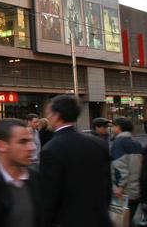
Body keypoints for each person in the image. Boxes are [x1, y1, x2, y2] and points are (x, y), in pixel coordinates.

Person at [40, 94, 111, 227]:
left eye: (49, 113)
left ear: (56, 115)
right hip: (100, 218)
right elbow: (107, 186)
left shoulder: (51, 149)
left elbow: (49, 197)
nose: (48, 117)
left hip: (69, 220)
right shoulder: (98, 143)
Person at [110, 117, 143, 222]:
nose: (111, 129)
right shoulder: (136, 143)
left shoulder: (118, 143)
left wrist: (119, 187)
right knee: (130, 218)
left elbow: (119, 167)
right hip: (136, 188)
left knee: (122, 220)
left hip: (125, 190)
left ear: (118, 127)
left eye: (113, 126)